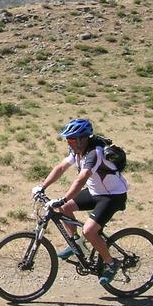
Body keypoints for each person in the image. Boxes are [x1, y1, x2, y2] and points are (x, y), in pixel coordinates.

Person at [32, 118, 128, 285]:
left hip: (112, 196)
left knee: (89, 230)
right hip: (95, 192)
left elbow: (81, 179)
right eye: (67, 139)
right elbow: (60, 168)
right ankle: (78, 244)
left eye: (71, 139)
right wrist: (42, 186)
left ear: (82, 139)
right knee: (64, 208)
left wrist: (63, 198)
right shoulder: (76, 151)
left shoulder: (94, 153)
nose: (68, 142)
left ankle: (112, 263)